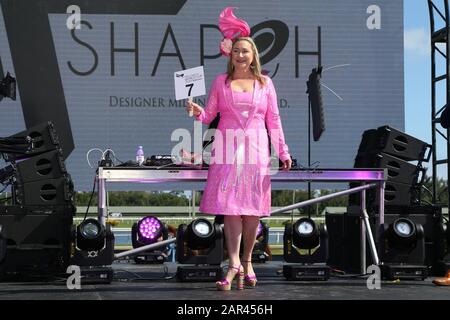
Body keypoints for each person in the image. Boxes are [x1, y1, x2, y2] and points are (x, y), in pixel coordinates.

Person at [186, 7, 292, 291]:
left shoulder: (265, 83)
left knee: (252, 209)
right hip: (227, 148)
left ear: (254, 55)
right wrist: (196, 110)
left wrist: (282, 152)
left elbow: (274, 120)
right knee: (231, 209)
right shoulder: (221, 82)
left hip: (257, 150)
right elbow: (209, 116)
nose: (241, 55)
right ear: (230, 55)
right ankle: (233, 263)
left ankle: (247, 260)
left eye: (246, 51)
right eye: (237, 51)